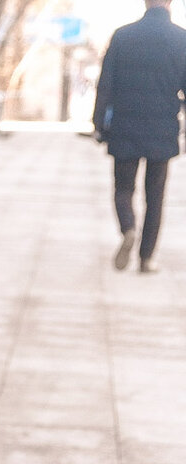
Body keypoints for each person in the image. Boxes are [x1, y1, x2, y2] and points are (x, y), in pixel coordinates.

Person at [92, 0, 186, 274]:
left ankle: (128, 228)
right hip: (162, 128)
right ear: (169, 3)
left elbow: (105, 84)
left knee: (123, 189)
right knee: (155, 196)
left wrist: (98, 124)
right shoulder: (181, 38)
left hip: (125, 126)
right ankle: (146, 259)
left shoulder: (123, 36)